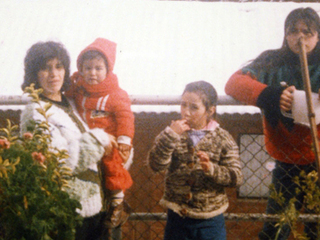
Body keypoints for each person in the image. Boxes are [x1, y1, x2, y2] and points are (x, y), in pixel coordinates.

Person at [225, 7, 320, 240]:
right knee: (275, 231)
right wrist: (270, 95)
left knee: (316, 230)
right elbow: (234, 84)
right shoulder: (272, 62)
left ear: (318, 36)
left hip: (319, 161)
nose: (299, 37)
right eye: (293, 31)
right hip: (287, 163)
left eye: (307, 32)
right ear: (285, 35)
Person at [20, 41, 116, 240]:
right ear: (34, 74)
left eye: (59, 66)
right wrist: (101, 140)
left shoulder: (71, 102)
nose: (54, 74)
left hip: (94, 207)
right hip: (67, 212)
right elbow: (60, 161)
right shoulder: (35, 112)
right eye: (45, 68)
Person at [148, 81, 243, 240]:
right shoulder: (172, 133)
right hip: (177, 219)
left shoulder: (223, 138)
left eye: (194, 107)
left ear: (210, 110)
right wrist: (171, 136)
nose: (186, 112)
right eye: (183, 105)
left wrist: (212, 169)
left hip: (210, 222)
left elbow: (236, 177)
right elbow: (155, 165)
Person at [66, 38, 134, 230]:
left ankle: (117, 204)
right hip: (88, 141)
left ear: (107, 70)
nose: (92, 73)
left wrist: (125, 141)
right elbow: (67, 94)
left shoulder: (115, 94)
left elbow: (125, 118)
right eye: (87, 68)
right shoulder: (80, 89)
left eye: (98, 68)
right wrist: (71, 82)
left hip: (110, 141)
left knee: (112, 165)